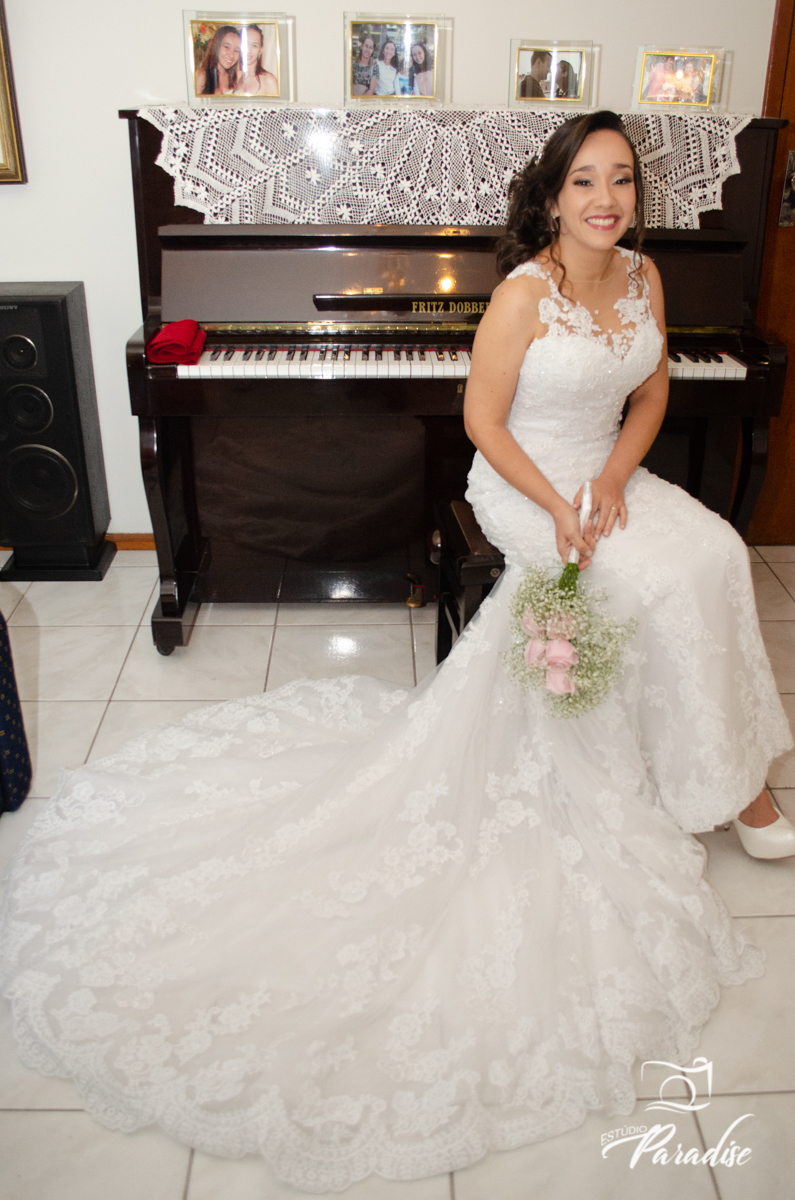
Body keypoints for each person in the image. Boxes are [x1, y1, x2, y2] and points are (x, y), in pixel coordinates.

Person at [0, 111, 792, 1194]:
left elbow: (650, 392)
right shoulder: (521, 294)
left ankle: (727, 770)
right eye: (585, 181)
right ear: (553, 195)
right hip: (523, 485)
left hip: (603, 478)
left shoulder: (646, 277)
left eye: (622, 180)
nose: (606, 199)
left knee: (711, 556)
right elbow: (482, 423)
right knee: (636, 584)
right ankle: (685, 777)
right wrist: (562, 504)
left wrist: (613, 480)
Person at [195, 24, 242, 96]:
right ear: (216, 46)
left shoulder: (237, 78)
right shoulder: (202, 75)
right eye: (226, 47)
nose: (231, 55)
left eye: (236, 50)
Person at [234, 23, 278, 97]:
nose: (249, 50)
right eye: (245, 44)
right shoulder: (237, 78)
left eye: (254, 45)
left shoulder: (268, 80)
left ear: (260, 50)